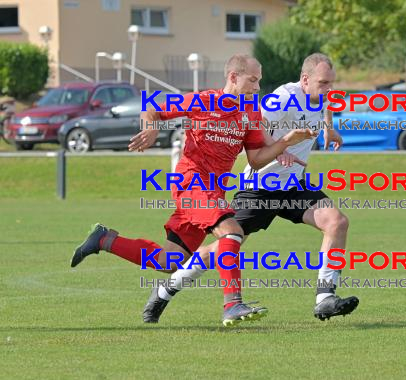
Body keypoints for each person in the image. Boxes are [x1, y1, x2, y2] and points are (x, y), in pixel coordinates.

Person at [70, 54, 317, 327]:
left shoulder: (250, 111)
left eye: (259, 81)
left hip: (213, 192)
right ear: (233, 77)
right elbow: (151, 108)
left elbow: (256, 159)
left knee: (170, 260)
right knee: (232, 232)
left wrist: (286, 141)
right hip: (191, 183)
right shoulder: (204, 100)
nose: (257, 87)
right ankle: (232, 304)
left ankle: (105, 240)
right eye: (252, 80)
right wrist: (151, 128)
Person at [158, 53, 359, 322]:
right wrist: (278, 151)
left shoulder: (322, 95)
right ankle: (167, 289)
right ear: (305, 79)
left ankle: (325, 298)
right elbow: (255, 123)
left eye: (331, 83)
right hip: (260, 186)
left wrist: (329, 130)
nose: (329, 90)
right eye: (323, 83)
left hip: (292, 184)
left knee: (337, 222)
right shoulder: (283, 97)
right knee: (225, 246)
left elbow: (324, 107)